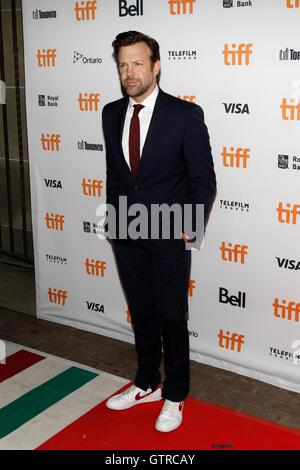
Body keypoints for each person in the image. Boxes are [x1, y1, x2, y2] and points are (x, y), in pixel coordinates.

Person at [102, 31, 216, 433]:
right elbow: (116, 175)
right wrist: (114, 221)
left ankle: (175, 394)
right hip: (127, 235)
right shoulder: (110, 113)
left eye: (137, 63)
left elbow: (204, 181)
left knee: (171, 315)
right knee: (144, 316)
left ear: (156, 65)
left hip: (169, 233)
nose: (129, 72)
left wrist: (190, 223)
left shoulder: (184, 115)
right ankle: (147, 382)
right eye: (122, 64)